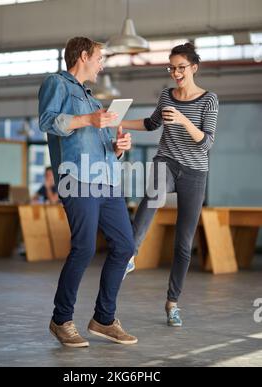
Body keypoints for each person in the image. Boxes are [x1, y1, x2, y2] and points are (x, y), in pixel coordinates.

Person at [38, 37, 137, 348]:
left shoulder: (94, 101)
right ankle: (61, 319)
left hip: (107, 180)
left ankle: (104, 319)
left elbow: (102, 147)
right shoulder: (57, 83)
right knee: (84, 248)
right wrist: (87, 120)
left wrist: (119, 149)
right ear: (83, 56)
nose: (102, 64)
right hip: (77, 178)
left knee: (124, 246)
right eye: (100, 58)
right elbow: (47, 121)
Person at [121, 43, 219, 327]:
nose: (175, 73)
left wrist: (183, 120)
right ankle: (129, 254)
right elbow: (152, 124)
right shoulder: (166, 95)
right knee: (152, 198)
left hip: (195, 171)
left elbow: (207, 141)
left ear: (193, 68)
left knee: (183, 244)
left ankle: (172, 302)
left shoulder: (209, 99)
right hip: (167, 160)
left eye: (180, 67)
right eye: (171, 67)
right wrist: (116, 122)